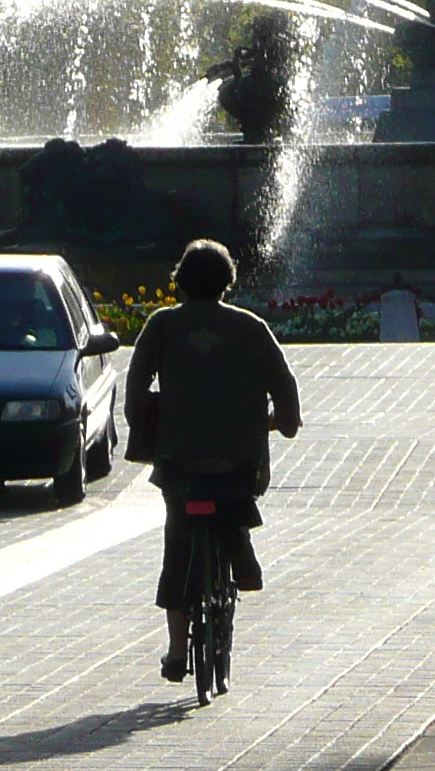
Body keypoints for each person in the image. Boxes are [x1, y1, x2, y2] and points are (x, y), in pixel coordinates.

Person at [123, 239, 301, 683]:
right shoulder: (251, 327)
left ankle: (178, 649)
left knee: (178, 544)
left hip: (179, 461)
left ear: (180, 282)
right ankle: (240, 553)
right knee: (235, 498)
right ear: (227, 281)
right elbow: (285, 388)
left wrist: (150, 430)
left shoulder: (161, 325)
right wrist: (283, 422)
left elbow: (134, 393)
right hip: (239, 460)